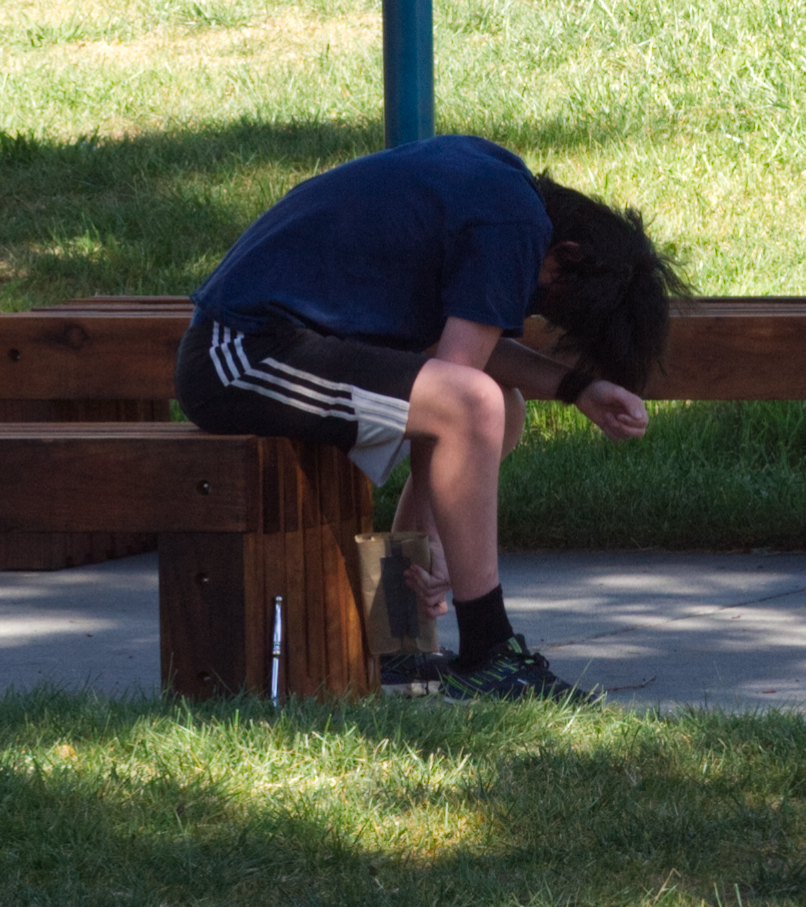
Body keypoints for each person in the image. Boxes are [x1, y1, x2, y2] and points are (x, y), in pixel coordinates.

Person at [174, 134, 687, 699]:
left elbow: (462, 358)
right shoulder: (513, 224)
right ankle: (490, 652)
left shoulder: (502, 188)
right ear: (568, 256)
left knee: (500, 405)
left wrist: (578, 389)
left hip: (285, 344)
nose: (536, 307)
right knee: (473, 403)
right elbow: (454, 387)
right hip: (238, 356)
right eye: (550, 303)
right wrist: (438, 544)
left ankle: (398, 640)